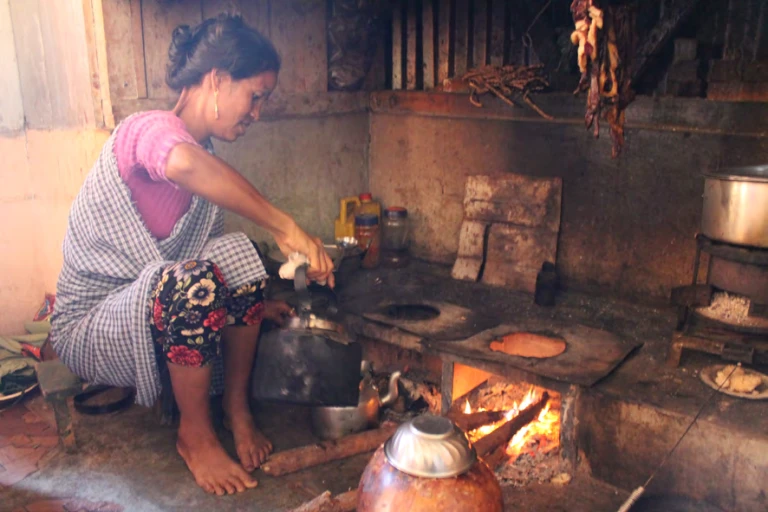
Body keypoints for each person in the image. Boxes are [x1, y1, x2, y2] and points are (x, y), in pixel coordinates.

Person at [49, 14, 335, 496]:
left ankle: (235, 410)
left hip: (151, 306)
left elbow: (206, 257)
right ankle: (195, 435)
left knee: (240, 255)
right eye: (256, 96)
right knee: (193, 282)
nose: (257, 112)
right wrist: (285, 224)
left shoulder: (208, 166)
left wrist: (254, 306)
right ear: (217, 80)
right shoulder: (148, 130)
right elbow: (179, 162)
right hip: (93, 326)